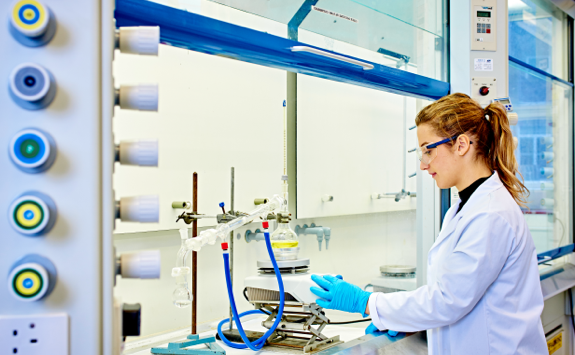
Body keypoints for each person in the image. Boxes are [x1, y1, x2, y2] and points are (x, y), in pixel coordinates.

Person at [311, 93, 547, 354]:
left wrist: (365, 301)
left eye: (429, 150)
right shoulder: (464, 206)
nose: (423, 164)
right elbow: (456, 293)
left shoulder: (490, 215)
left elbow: (448, 300)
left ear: (461, 145)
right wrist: (407, 320)